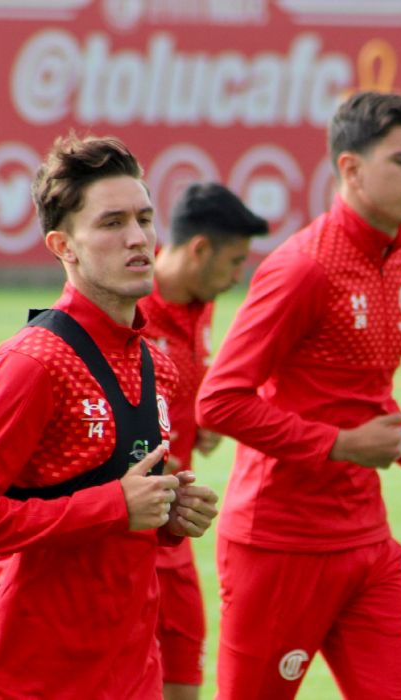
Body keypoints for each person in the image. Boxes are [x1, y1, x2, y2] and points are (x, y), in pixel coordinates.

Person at [196, 91, 401, 699]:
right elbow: (219, 402)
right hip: (279, 546)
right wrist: (341, 446)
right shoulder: (302, 268)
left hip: (367, 542)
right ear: (350, 169)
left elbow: (363, 394)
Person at [0, 133, 220, 699]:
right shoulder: (29, 365)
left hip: (128, 676)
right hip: (23, 681)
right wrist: (114, 506)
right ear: (65, 246)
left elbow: (114, 509)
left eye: (144, 218)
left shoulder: (153, 362)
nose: (138, 239)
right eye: (111, 224)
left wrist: (166, 511)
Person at [137, 182, 269, 700]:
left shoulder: (200, 305)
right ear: (199, 250)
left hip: (176, 530)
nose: (240, 276)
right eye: (235, 262)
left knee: (184, 679)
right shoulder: (129, 308)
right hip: (124, 531)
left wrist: (200, 419)